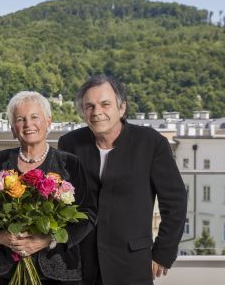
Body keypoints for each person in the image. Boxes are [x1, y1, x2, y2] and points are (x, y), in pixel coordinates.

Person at [58, 75, 187, 285]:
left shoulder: (151, 143)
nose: (97, 112)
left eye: (105, 104)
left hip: (133, 263)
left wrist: (163, 252)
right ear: (83, 112)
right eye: (89, 106)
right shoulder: (69, 144)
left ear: (122, 107)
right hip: (80, 264)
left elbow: (175, 202)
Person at [0, 91, 98, 285]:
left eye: (35, 117)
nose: (28, 124)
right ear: (12, 128)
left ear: (48, 122)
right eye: (20, 119)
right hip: (7, 273)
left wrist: (49, 239)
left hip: (59, 272)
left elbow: (88, 214)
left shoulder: (69, 164)